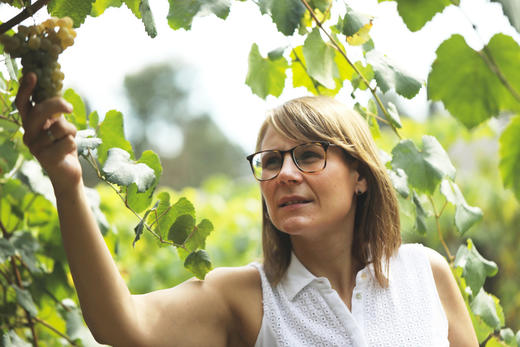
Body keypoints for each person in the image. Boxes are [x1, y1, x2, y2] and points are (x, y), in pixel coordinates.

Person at [16, 72, 478, 347]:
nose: (285, 174)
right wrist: (69, 183)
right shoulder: (244, 297)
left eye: (310, 155)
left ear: (359, 175)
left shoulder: (426, 273)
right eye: (271, 161)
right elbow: (121, 325)